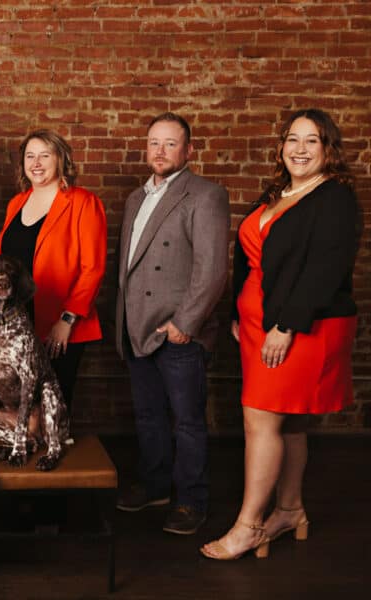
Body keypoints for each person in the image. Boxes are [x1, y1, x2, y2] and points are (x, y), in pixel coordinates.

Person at [201, 109, 359, 560]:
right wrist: (236, 312)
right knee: (288, 419)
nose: (301, 149)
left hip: (298, 326)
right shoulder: (277, 193)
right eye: (293, 139)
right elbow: (250, 262)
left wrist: (286, 324)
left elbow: (324, 270)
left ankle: (249, 526)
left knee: (262, 418)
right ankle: (290, 510)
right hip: (256, 326)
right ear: (281, 146)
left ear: (329, 149)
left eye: (313, 140)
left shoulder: (335, 198)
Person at [114, 112, 230, 535]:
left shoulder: (205, 194)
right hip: (138, 327)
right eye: (153, 143)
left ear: (188, 150)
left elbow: (213, 269)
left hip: (178, 331)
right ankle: (156, 485)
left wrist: (186, 323)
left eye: (169, 143)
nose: (159, 151)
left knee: (187, 421)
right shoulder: (135, 198)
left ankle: (191, 500)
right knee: (148, 417)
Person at [0, 129, 107, 408]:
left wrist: (67, 320)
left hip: (59, 323)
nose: (36, 163)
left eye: (44, 156)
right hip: (18, 322)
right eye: (30, 156)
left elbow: (92, 267)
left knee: (53, 403)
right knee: (23, 402)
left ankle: (55, 449)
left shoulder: (83, 202)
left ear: (61, 160)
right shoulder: (16, 203)